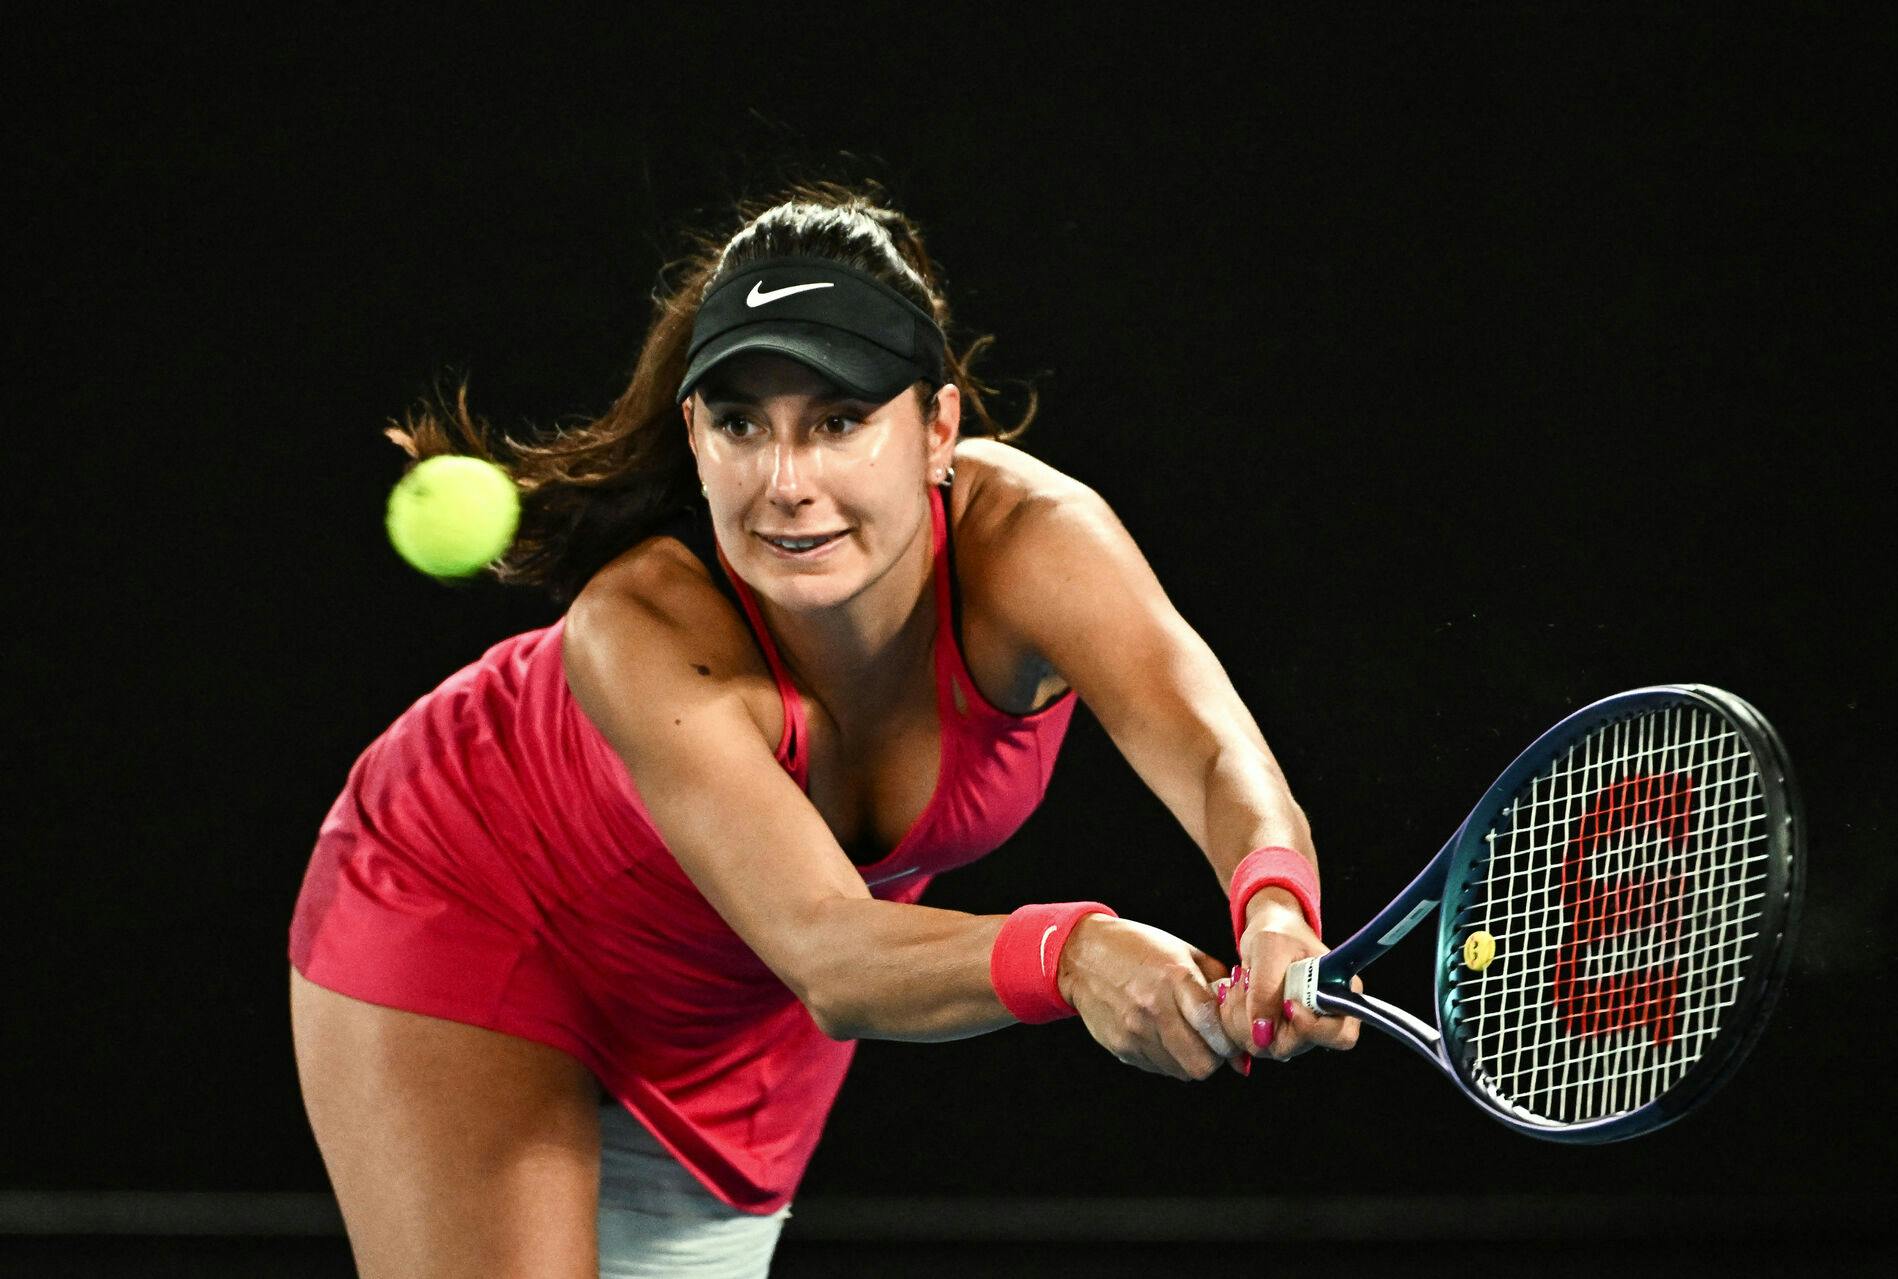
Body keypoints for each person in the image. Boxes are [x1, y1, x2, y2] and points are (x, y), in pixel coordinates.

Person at [288, 181, 1360, 1279]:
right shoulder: (639, 621)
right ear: (693, 437)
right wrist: (1074, 953)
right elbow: (827, 951)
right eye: (742, 424)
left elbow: (1212, 749)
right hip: (471, 904)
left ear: (937, 427)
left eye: (839, 421)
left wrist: (1273, 899)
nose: (786, 483)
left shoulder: (1037, 545)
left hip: (734, 1009)